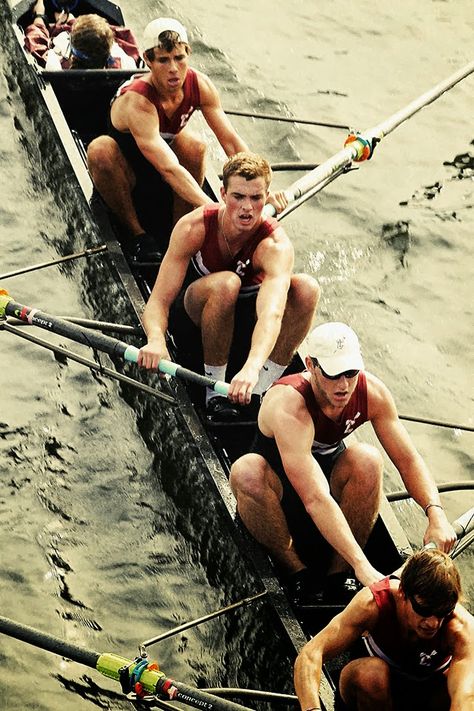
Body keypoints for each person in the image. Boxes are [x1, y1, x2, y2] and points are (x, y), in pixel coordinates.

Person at [229, 322, 456, 604]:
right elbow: (314, 498)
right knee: (246, 471)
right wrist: (364, 565)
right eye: (334, 374)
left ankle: (339, 577)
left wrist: (436, 514)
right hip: (280, 494)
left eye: (350, 372)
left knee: (368, 460)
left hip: (327, 489)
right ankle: (297, 573)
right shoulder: (290, 405)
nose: (344, 385)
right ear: (310, 365)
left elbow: (408, 460)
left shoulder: (372, 392)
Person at [137, 152, 320, 422]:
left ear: (266, 196)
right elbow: (159, 301)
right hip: (194, 316)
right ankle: (216, 393)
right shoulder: (195, 226)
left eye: (256, 198)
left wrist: (252, 368)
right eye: (238, 197)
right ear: (223, 194)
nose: (247, 208)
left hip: (245, 324)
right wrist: (155, 340)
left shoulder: (275, 246)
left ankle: (258, 391)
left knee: (307, 289)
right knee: (227, 283)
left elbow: (272, 315)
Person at [87, 17, 281, 264]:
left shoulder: (200, 85)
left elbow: (231, 143)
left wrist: (264, 190)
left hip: (162, 168)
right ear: (147, 61)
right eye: (164, 60)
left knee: (196, 146)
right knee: (99, 149)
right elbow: (169, 167)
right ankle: (137, 235)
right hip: (128, 172)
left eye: (179, 58)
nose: (173, 69)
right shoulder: (138, 101)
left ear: (188, 55)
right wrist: (215, 210)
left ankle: (178, 231)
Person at [294, 549, 474, 711]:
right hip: (370, 695)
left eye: (443, 612)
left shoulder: (462, 629)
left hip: (425, 699)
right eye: (424, 610)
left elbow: (465, 699)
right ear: (403, 592)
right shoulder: (372, 604)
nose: (433, 623)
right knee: (371, 674)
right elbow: (310, 655)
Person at [24, 1, 140, 70]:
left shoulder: (54, 64)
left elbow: (36, 41)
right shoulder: (126, 64)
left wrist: (39, 16)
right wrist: (71, 20)